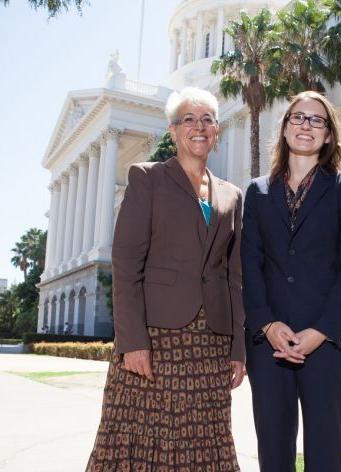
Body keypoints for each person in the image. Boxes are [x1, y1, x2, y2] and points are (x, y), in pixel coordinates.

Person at [86, 87, 245, 471]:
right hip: (154, 341)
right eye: (188, 119)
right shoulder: (148, 179)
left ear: (217, 131)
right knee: (142, 438)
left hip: (212, 343)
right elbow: (126, 264)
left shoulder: (232, 195)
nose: (199, 126)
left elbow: (235, 276)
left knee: (205, 439)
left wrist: (239, 348)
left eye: (208, 119)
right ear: (172, 131)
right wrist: (132, 342)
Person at [241, 91, 341, 472]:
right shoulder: (257, 191)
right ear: (284, 127)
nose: (306, 125)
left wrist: (321, 331)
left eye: (317, 120)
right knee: (274, 453)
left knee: (326, 455)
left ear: (329, 135)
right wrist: (267, 323)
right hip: (269, 344)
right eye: (298, 117)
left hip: (327, 343)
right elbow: (249, 264)